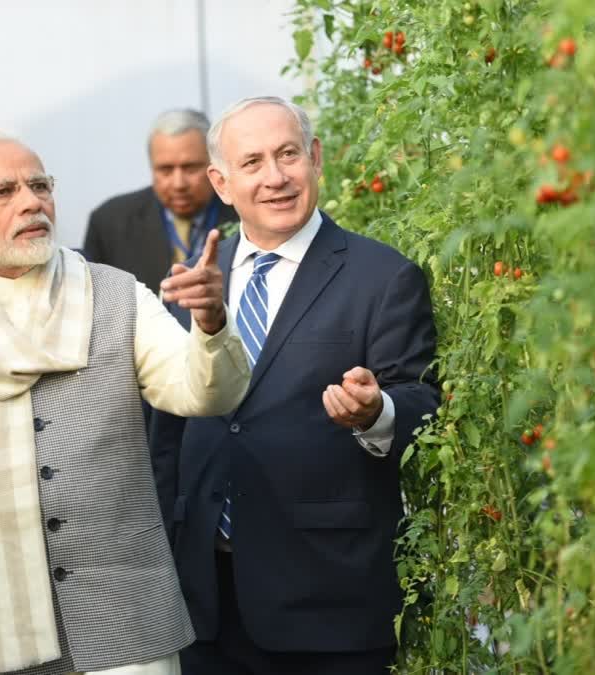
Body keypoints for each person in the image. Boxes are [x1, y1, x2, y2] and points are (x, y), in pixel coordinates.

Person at [0, 131, 251, 675]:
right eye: (3, 191)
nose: (31, 202)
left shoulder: (116, 293)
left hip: (124, 623)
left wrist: (212, 323)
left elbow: (202, 392)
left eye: (39, 185)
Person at [166, 97, 440, 674]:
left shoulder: (382, 276)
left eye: (288, 154)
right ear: (221, 183)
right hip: (206, 605)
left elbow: (423, 403)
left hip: (330, 603)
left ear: (315, 158)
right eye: (253, 162)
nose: (275, 177)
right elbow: (164, 432)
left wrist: (377, 412)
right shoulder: (195, 282)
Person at [84, 109, 237, 294]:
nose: (179, 184)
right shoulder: (109, 222)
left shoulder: (243, 213)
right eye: (165, 170)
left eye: (190, 168)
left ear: (213, 165)